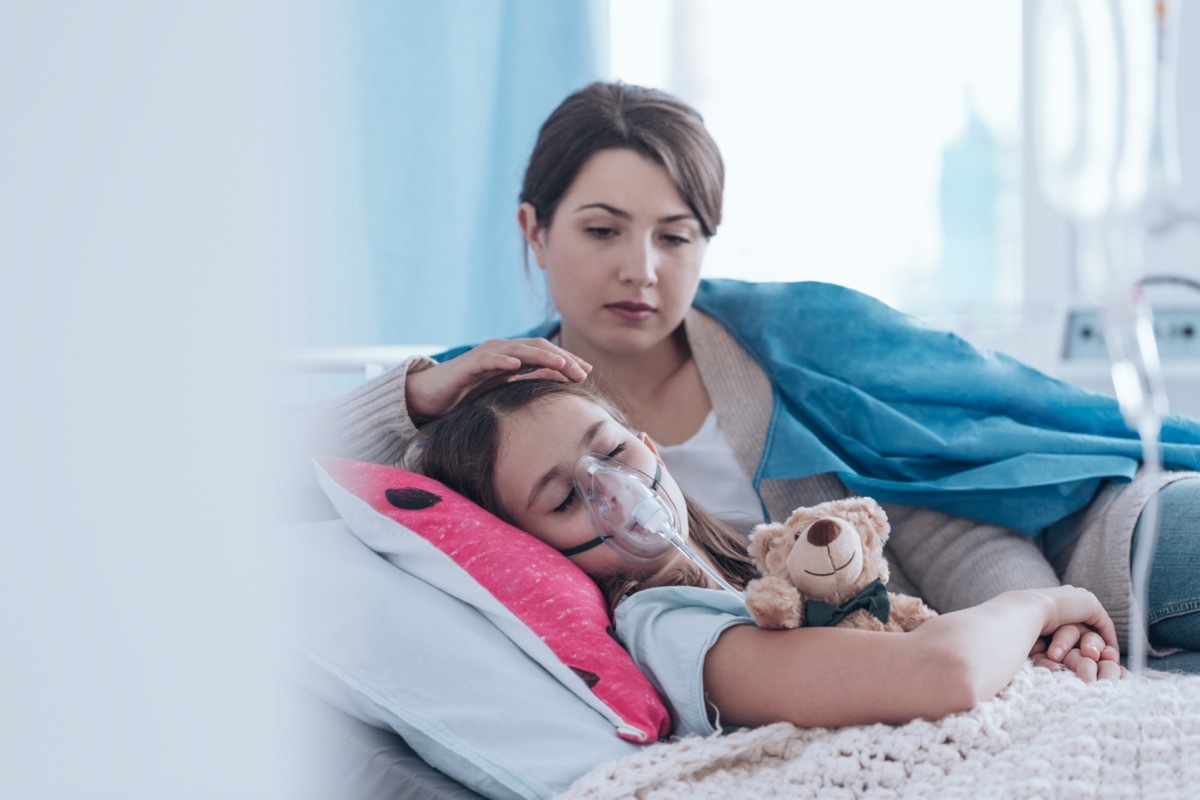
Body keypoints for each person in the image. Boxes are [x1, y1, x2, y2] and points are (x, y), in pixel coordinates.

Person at [329, 80, 1200, 672]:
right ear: (534, 228)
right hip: (951, 645)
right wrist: (413, 394)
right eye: (602, 231)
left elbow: (944, 523)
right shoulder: (491, 420)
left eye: (675, 237)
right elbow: (247, 483)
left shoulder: (788, 340)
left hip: (1078, 540)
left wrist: (1051, 614)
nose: (641, 268)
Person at [406, 377, 1126, 735]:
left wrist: (1034, 646)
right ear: (532, 553)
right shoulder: (667, 627)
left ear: (648, 445)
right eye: (564, 499)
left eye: (612, 451)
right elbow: (945, 672)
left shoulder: (757, 568)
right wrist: (1040, 603)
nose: (617, 494)